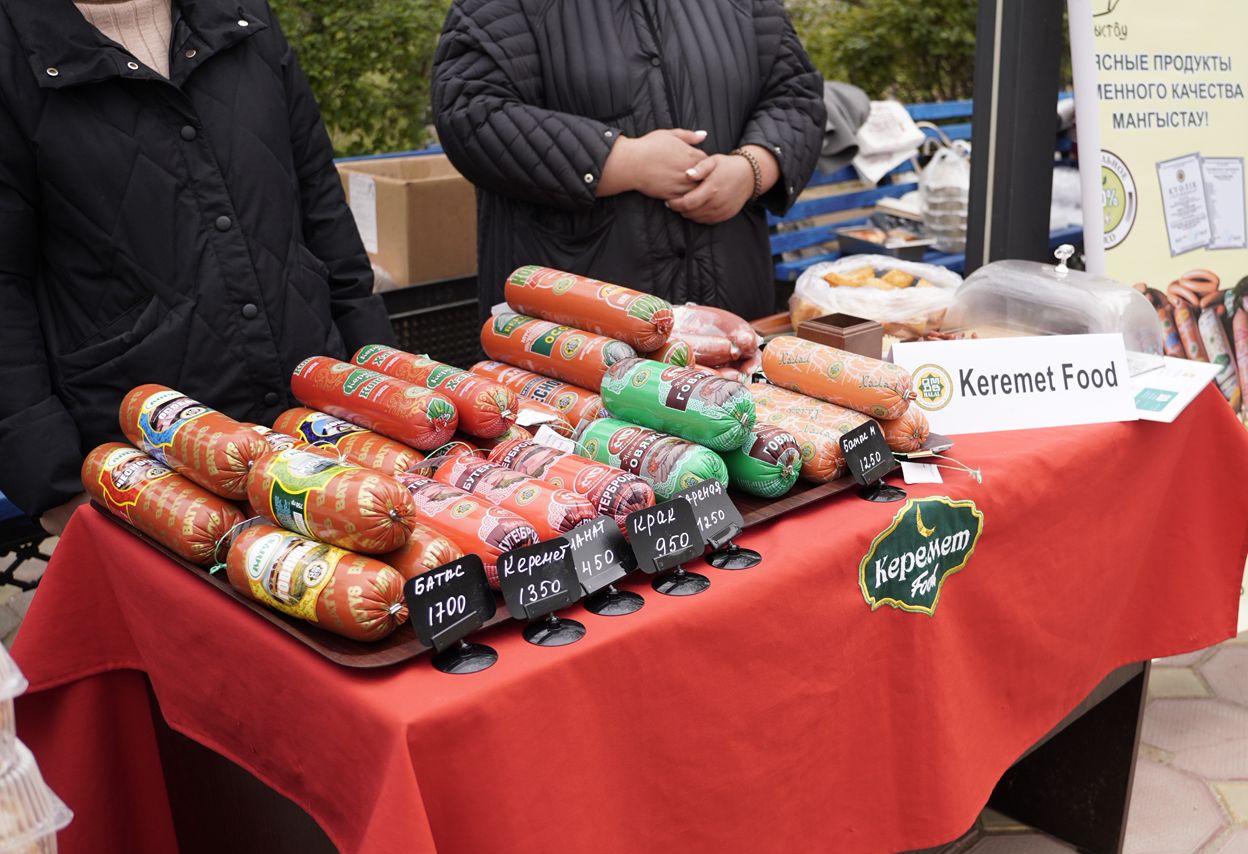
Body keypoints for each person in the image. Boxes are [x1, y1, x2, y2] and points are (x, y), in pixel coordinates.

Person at [0, 0, 393, 531]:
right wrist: (53, 479)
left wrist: (378, 376)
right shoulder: (14, 54)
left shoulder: (241, 14)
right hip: (152, 469)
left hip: (318, 419)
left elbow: (320, 202)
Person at [432, 0, 825, 321]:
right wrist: (624, 161)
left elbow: (795, 94)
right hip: (575, 335)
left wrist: (753, 168)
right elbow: (471, 110)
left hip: (732, 316)